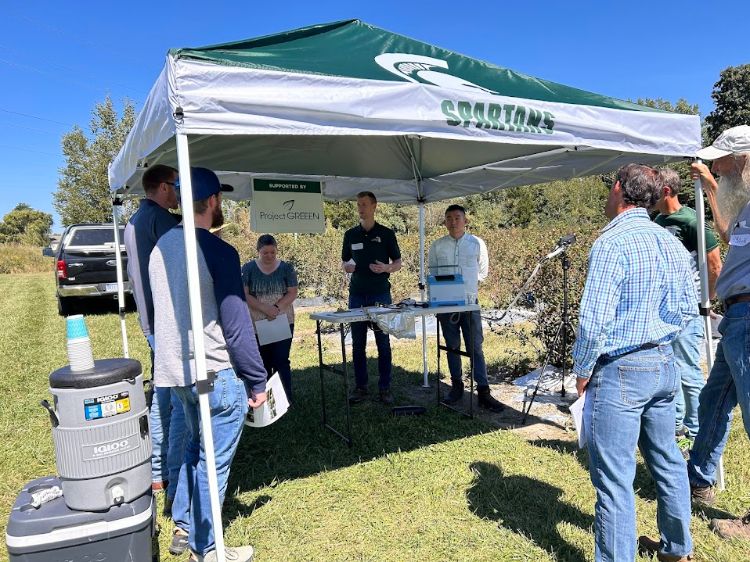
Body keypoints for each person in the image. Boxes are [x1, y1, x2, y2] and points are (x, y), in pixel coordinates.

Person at [573, 164, 697, 562]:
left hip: (621, 366)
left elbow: (594, 319)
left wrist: (582, 369)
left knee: (613, 478)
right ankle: (677, 548)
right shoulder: (671, 242)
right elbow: (685, 307)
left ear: (617, 189)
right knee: (668, 459)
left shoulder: (612, 243)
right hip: (663, 361)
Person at [150, 167, 267, 562]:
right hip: (215, 373)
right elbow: (236, 324)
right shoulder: (218, 251)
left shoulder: (160, 246)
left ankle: (183, 523)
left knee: (194, 447)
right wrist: (256, 381)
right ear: (214, 201)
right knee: (212, 462)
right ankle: (207, 548)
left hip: (176, 371)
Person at [687, 125, 750, 540]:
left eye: (722, 163)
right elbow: (729, 235)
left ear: (744, 160)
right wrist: (712, 190)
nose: (717, 167)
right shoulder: (746, 207)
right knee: (714, 400)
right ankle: (698, 480)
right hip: (737, 318)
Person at [123, 164, 186, 510]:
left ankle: (157, 472)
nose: (177, 193)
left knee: (162, 396)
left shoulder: (134, 220)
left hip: (151, 322)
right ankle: (172, 476)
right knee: (174, 401)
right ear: (162, 188)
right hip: (167, 323)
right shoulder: (160, 219)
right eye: (175, 186)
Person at [653, 168, 722, 450]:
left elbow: (714, 264)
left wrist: (706, 299)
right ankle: (678, 423)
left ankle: (696, 428)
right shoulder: (656, 220)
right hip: (661, 308)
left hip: (686, 307)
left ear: (666, 191)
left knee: (688, 369)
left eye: (654, 189)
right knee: (670, 367)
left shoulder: (692, 221)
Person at [428, 204, 504, 412]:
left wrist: (465, 287)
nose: (453, 222)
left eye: (457, 217)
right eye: (449, 218)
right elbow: (432, 273)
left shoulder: (477, 243)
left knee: (475, 347)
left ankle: (484, 392)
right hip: (446, 305)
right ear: (444, 221)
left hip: (470, 303)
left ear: (465, 220)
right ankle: (457, 386)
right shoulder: (437, 246)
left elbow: (483, 273)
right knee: (452, 345)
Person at [341, 191, 402, 405]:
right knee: (358, 345)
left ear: (374, 206)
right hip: (356, 295)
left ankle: (385, 388)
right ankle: (361, 387)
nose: (361, 208)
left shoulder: (386, 233)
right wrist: (347, 267)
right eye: (358, 204)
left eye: (365, 204)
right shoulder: (350, 234)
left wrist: (386, 267)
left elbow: (398, 263)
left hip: (380, 295)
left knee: (382, 343)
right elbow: (345, 262)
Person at [242, 234, 299, 402]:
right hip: (258, 321)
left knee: (281, 360)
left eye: (272, 252)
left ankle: (286, 399)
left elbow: (293, 292)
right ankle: (266, 400)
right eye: (265, 253)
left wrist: (276, 308)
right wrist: (264, 308)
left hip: (283, 320)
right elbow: (244, 294)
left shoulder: (287, 268)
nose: (269, 256)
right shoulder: (248, 268)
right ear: (258, 251)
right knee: (263, 362)